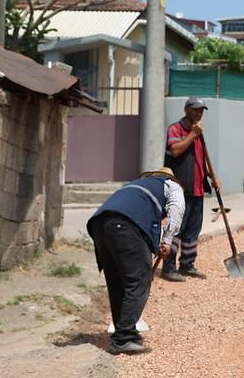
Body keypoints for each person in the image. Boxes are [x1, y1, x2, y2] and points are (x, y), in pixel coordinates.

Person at [87, 167, 184, 355]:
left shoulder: (136, 186)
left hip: (99, 224)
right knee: (139, 278)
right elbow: (176, 212)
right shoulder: (172, 187)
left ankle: (125, 331)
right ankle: (123, 338)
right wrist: (167, 241)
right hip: (124, 225)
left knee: (117, 281)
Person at [164, 96, 219, 281]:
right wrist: (192, 135)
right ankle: (168, 267)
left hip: (197, 190)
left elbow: (201, 160)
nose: (199, 113)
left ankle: (187, 264)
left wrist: (213, 177)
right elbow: (175, 150)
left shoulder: (199, 133)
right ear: (186, 110)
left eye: (202, 110)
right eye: (196, 109)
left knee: (192, 231)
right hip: (180, 188)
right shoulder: (176, 129)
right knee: (176, 229)